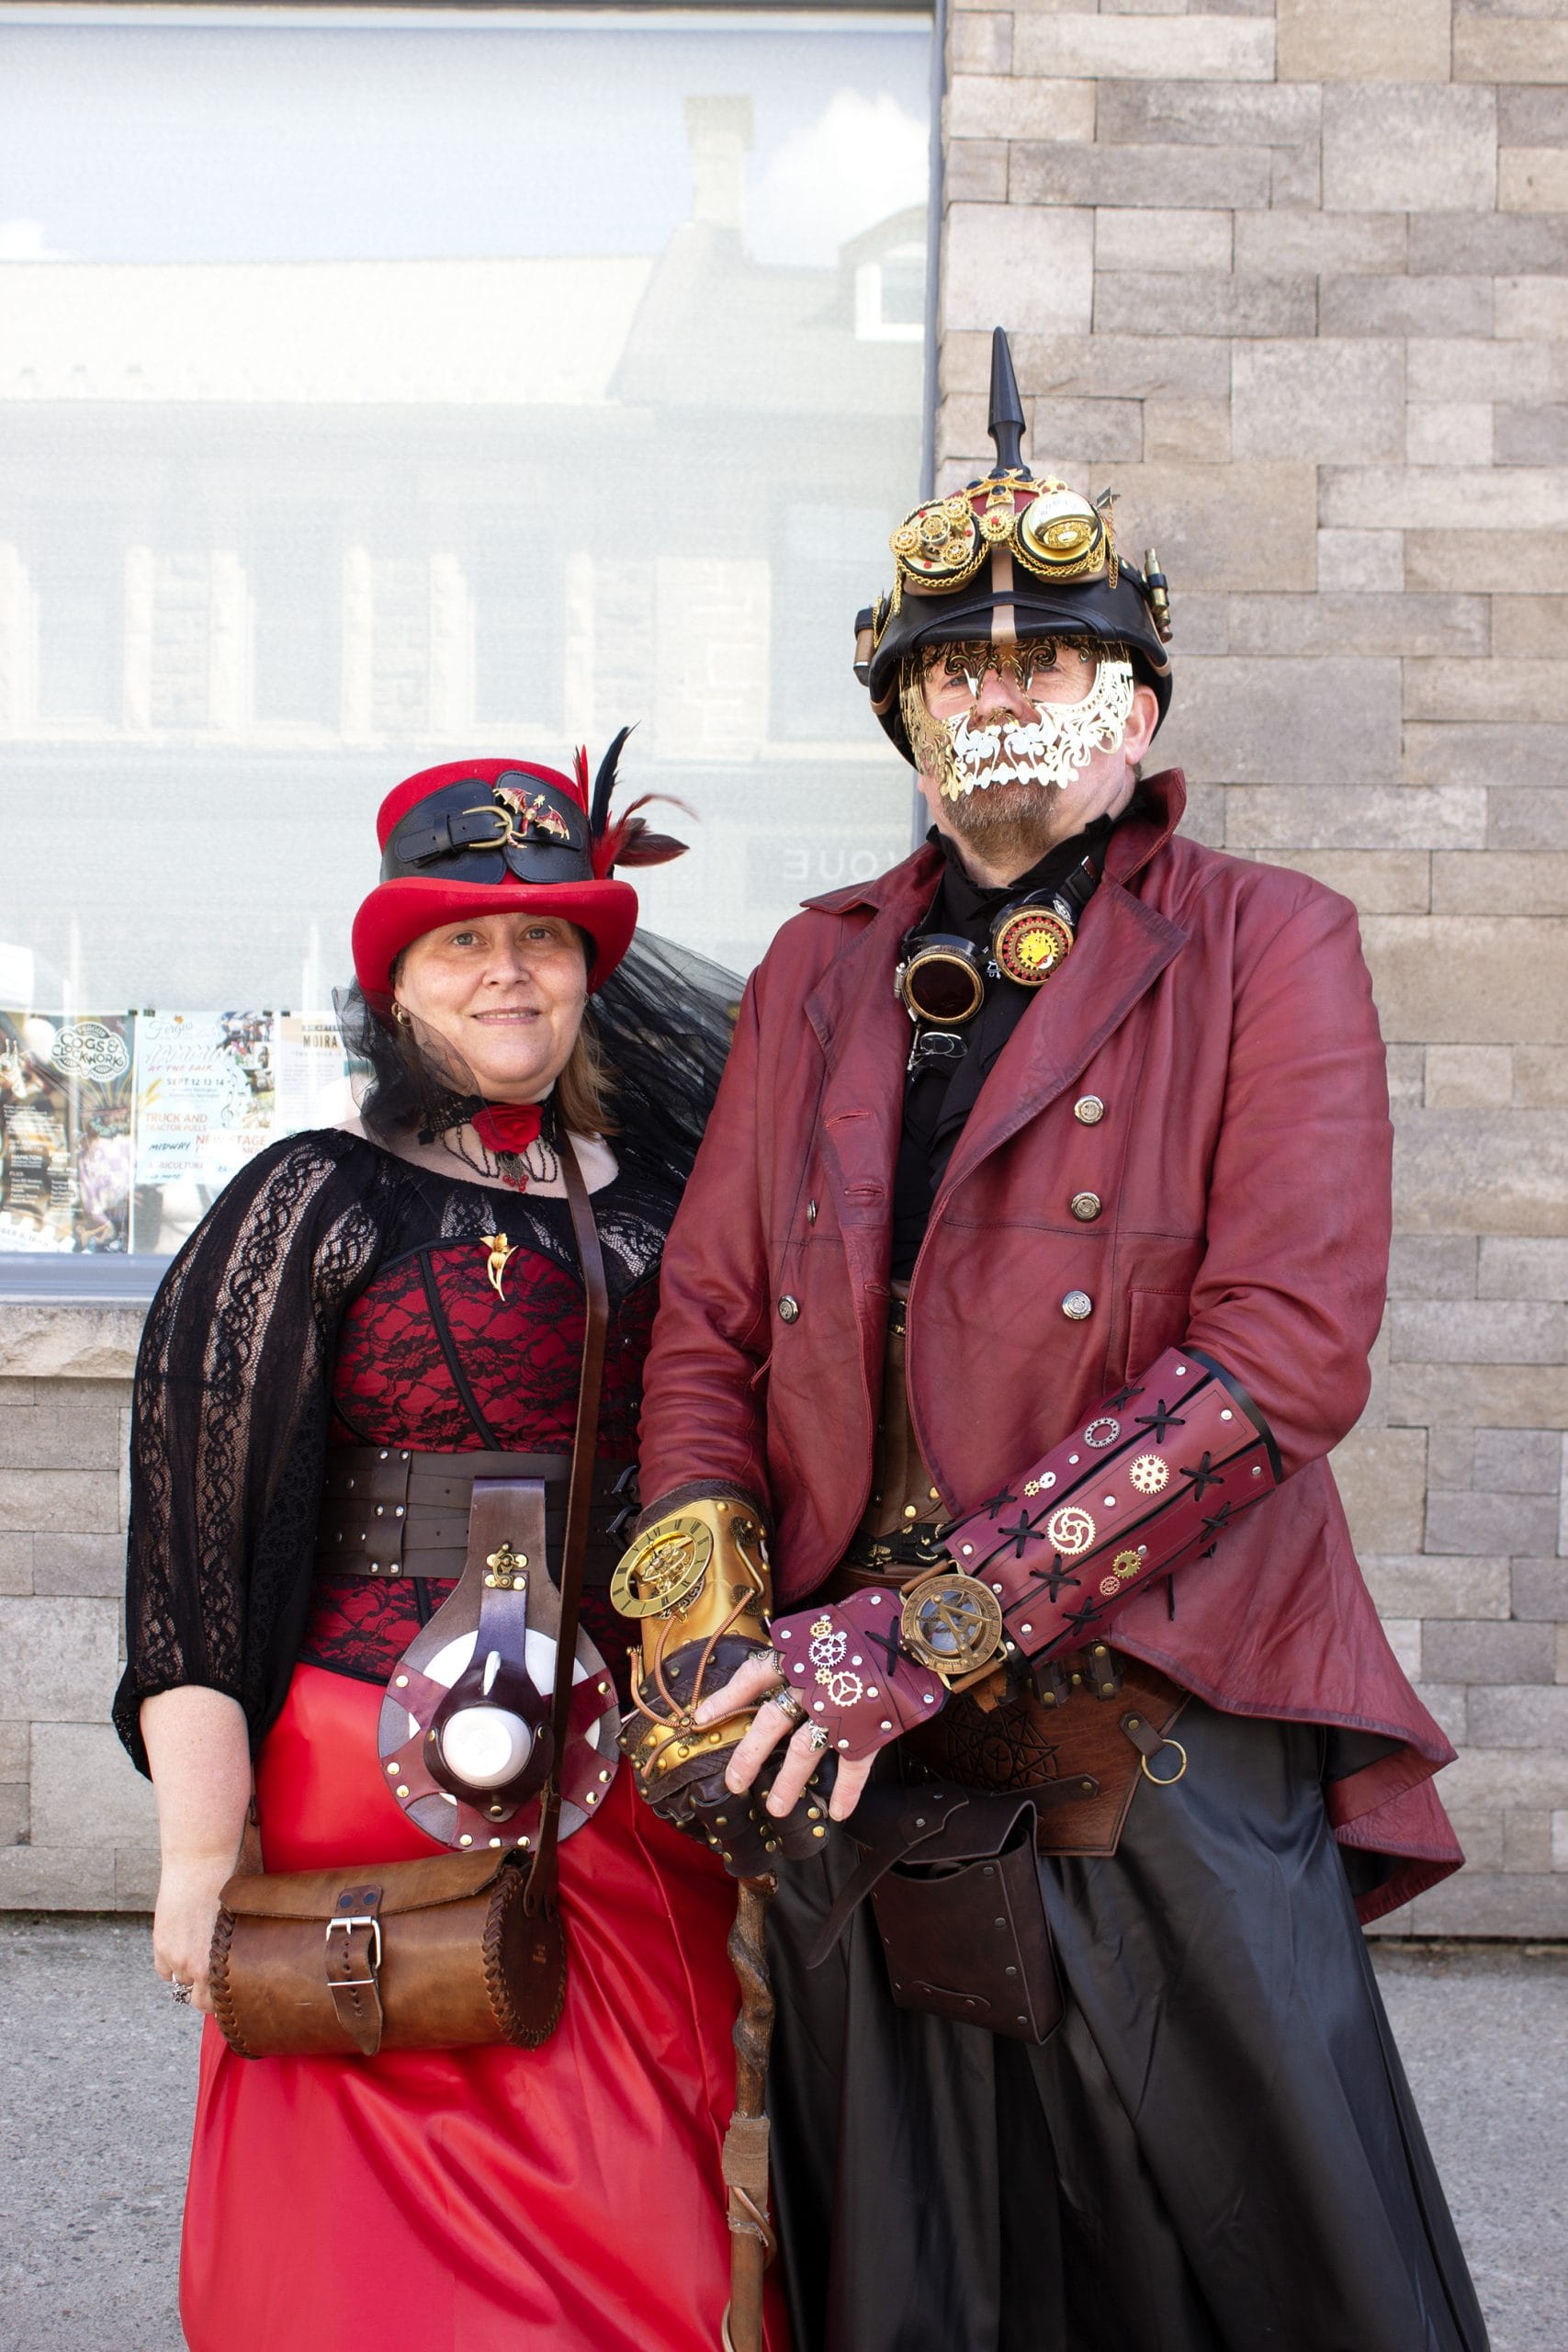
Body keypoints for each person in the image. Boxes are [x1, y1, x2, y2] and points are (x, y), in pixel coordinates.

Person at [621, 333, 1489, 2351]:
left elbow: (1279, 1354)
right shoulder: (819, 967)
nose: (993, 692)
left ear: (1133, 703)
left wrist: (917, 1632)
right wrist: (717, 1631)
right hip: (855, 1754)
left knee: (1255, 2259)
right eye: (949, 668)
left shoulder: (1269, 936)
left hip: (1150, 1718)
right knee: (909, 2277)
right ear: (906, 716)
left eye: (1039, 661)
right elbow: (707, 1327)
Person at [114, 742, 787, 2352]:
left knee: (645, 2209)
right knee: (351, 2255)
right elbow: (188, 1565)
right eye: (464, 939)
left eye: (545, 934)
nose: (510, 968)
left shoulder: (683, 1212)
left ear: (590, 971)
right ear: (396, 980)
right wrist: (203, 1859)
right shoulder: (308, 1204)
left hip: (619, 1791)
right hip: (350, 1788)